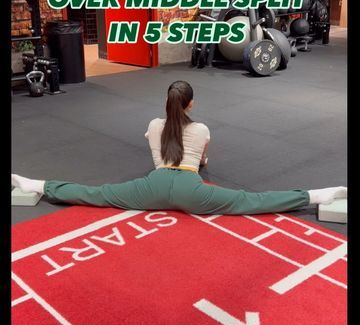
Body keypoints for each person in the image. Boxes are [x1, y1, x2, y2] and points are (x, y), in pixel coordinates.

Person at [12, 80, 347, 215]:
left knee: (95, 194)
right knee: (252, 201)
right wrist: (198, 162)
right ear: (191, 104)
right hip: (191, 188)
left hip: (153, 186)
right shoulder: (201, 128)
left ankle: (36, 185)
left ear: (168, 103)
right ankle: (318, 195)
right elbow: (202, 160)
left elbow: (156, 153)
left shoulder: (155, 126)